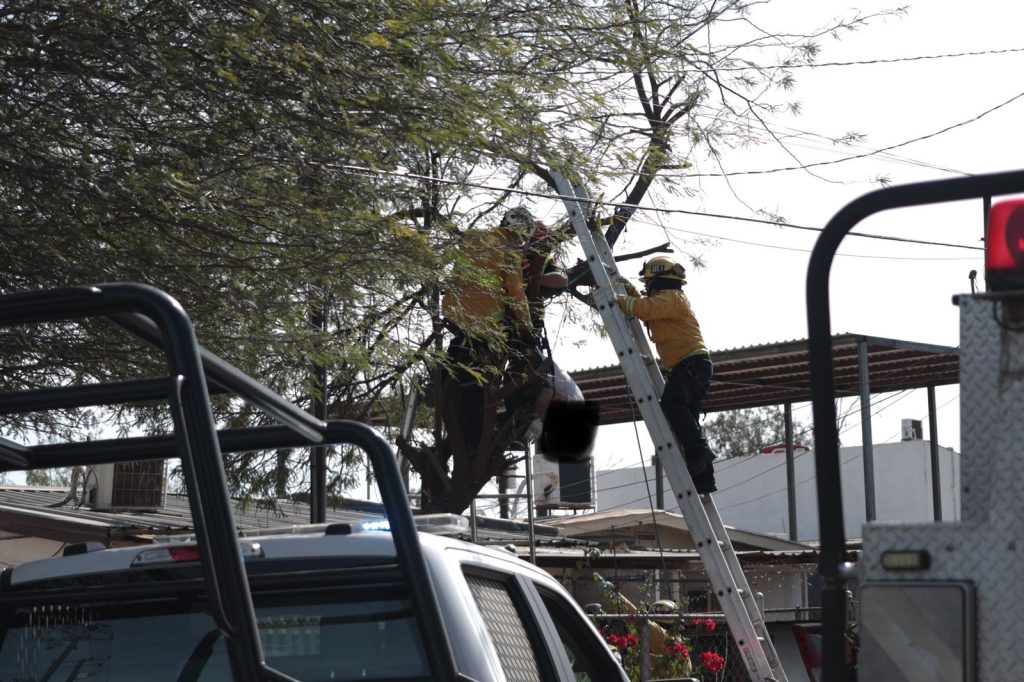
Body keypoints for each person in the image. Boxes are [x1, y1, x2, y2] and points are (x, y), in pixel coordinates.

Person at [441, 207, 538, 456]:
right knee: (475, 388)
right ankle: (475, 443)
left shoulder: (474, 237)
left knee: (457, 382)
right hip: (482, 327)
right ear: (523, 234)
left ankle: (460, 438)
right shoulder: (509, 252)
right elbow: (516, 294)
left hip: (455, 315)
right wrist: (526, 329)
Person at [616, 256, 717, 494]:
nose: (645, 288)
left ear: (657, 282)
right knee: (687, 423)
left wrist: (617, 300)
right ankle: (704, 481)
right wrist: (629, 291)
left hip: (691, 364)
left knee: (672, 405)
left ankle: (702, 452)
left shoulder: (672, 299)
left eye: (647, 283)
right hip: (690, 365)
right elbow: (647, 306)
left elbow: (643, 309)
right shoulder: (669, 300)